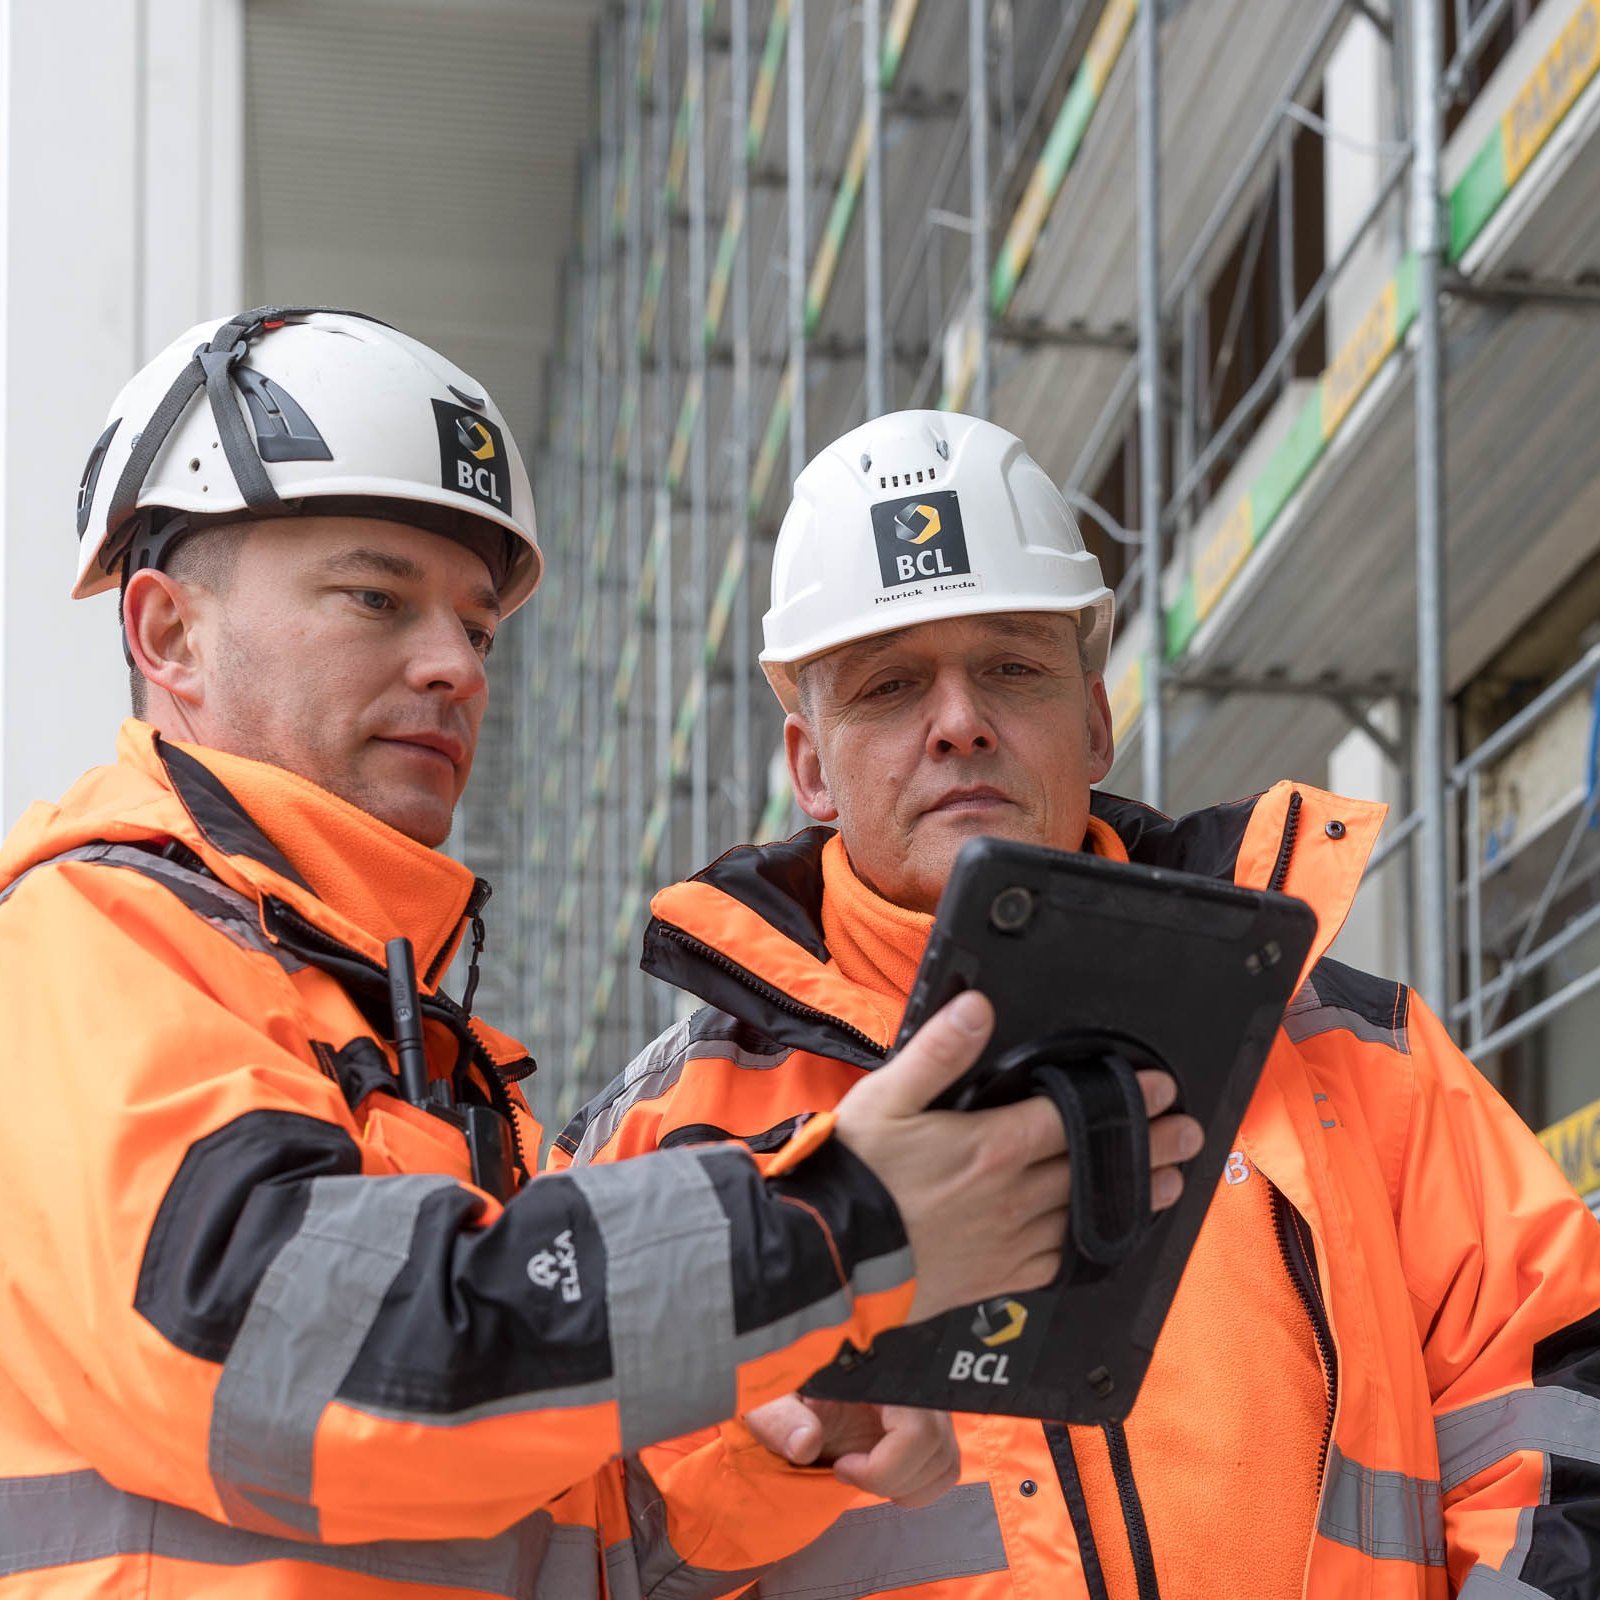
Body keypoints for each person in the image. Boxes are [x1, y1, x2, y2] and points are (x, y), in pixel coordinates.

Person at [0, 321, 1199, 1597]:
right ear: (168, 632)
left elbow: (544, 1534)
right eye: (376, 597)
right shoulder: (86, 948)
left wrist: (773, 1441)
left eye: (479, 626)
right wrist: (835, 1226)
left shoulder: (401, 1039)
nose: (454, 664)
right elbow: (297, 1352)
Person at [558, 409, 1600, 1599]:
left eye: (1008, 665)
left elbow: (1562, 1394)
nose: (957, 720)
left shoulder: (1346, 1053)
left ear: (1094, 716)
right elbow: (581, 1538)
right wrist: (763, 1446)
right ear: (810, 765)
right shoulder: (653, 1142)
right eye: (891, 686)